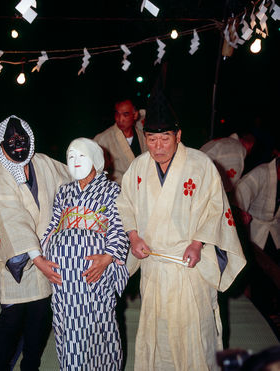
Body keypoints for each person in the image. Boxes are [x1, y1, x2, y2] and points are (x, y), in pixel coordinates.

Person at [116, 88, 246, 370]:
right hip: (154, 266)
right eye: (152, 139)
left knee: (194, 336)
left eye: (165, 138)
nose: (158, 146)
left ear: (178, 135)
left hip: (189, 268)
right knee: (158, 338)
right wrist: (133, 235)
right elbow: (124, 204)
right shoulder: (138, 168)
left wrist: (198, 242)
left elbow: (216, 208)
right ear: (145, 138)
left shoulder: (201, 166)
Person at [0, 115, 71, 371]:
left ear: (30, 139)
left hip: (47, 260)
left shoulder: (43, 163)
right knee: (11, 321)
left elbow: (72, 179)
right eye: (11, 141)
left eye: (22, 138)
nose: (17, 144)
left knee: (40, 320)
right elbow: (12, 220)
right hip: (19, 263)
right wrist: (36, 257)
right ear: (0, 146)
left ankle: (30, 366)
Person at [41, 137, 129, 370]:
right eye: (70, 157)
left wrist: (108, 257)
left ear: (96, 159)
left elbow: (119, 226)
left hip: (93, 273)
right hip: (64, 277)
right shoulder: (64, 191)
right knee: (67, 327)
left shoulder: (112, 190)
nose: (75, 161)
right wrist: (44, 255)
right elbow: (53, 225)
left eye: (81, 156)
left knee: (98, 325)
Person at [233, 156, 279, 260]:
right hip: (253, 234)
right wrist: (240, 214)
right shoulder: (262, 173)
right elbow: (239, 194)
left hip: (275, 235)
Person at [94, 98, 147, 185]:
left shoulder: (143, 137)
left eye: (125, 115)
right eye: (117, 114)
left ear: (135, 115)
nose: (120, 119)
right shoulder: (102, 139)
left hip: (142, 186)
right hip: (117, 190)